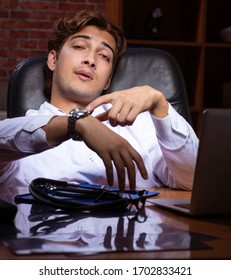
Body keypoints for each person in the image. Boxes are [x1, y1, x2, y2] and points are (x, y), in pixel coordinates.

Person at [0, 10, 198, 192]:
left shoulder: (142, 125)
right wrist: (76, 124)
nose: (90, 60)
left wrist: (160, 104)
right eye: (79, 46)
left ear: (108, 80)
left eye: (104, 56)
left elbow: (192, 181)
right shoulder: (21, 136)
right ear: (53, 60)